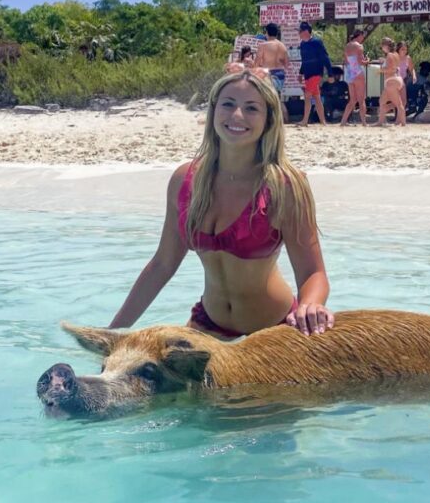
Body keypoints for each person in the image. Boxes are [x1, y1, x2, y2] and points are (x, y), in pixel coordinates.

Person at [108, 69, 334, 339]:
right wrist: (113, 333)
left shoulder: (285, 186)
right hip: (207, 323)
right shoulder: (186, 181)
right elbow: (162, 265)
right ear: (214, 111)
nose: (237, 116)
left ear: (269, 120)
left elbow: (313, 273)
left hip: (272, 331)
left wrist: (311, 304)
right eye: (228, 104)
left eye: (251, 108)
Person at [297, 21, 331, 127]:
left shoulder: (317, 42)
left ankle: (305, 121)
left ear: (306, 31)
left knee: (307, 96)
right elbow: (304, 60)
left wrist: (330, 73)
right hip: (307, 74)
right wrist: (300, 73)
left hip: (316, 73)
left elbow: (325, 58)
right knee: (316, 97)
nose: (298, 33)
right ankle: (323, 122)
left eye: (300, 31)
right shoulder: (302, 44)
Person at [339, 29, 370, 126]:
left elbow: (346, 61)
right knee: (361, 99)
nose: (363, 38)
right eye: (362, 36)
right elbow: (360, 62)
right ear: (359, 35)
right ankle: (364, 122)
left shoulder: (347, 46)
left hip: (349, 73)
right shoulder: (359, 46)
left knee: (352, 100)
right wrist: (367, 61)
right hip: (357, 72)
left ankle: (343, 121)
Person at [375, 37, 406, 127]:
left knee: (398, 104)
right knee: (382, 101)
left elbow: (390, 69)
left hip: (391, 80)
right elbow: (394, 66)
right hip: (397, 79)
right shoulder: (396, 54)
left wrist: (380, 70)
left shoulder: (389, 55)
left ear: (385, 46)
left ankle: (403, 123)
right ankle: (380, 122)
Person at [255, 22, 289, 96]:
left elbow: (256, 64)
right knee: (277, 98)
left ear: (267, 32)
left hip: (268, 75)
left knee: (267, 99)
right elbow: (287, 65)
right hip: (280, 76)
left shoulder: (263, 45)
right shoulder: (282, 46)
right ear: (277, 33)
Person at [396, 41, 416, 107]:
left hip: (403, 80)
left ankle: (399, 115)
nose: (404, 51)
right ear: (398, 49)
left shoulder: (408, 58)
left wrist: (414, 76)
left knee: (403, 101)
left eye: (406, 49)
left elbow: (412, 69)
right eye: (402, 49)